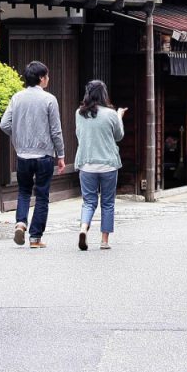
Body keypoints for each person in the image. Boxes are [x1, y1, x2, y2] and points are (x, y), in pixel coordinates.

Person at [0, 61, 65, 248]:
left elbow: (4, 124)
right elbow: (56, 131)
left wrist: (19, 135)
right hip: (44, 155)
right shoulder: (49, 99)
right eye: (47, 76)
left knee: (24, 191)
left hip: (23, 155)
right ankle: (35, 238)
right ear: (41, 78)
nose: (48, 79)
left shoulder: (17, 98)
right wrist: (60, 155)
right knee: (42, 195)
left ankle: (20, 223)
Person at [73, 79, 125, 251]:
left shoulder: (79, 114)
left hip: (87, 164)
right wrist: (119, 116)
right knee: (108, 203)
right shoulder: (110, 114)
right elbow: (119, 135)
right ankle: (104, 241)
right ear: (104, 94)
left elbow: (79, 135)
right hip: (108, 164)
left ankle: (83, 229)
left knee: (88, 202)